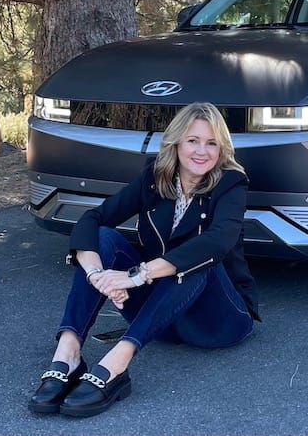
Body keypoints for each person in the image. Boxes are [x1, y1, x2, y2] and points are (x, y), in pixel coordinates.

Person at [29, 102, 259, 418]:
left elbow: (217, 242)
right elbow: (93, 219)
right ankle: (68, 352)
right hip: (162, 319)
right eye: (193, 140)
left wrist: (135, 276)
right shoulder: (155, 177)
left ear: (222, 149)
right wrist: (99, 276)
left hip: (219, 321)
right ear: (176, 141)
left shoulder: (231, 183)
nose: (201, 152)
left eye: (211, 143)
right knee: (104, 237)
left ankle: (116, 363)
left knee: (198, 258)